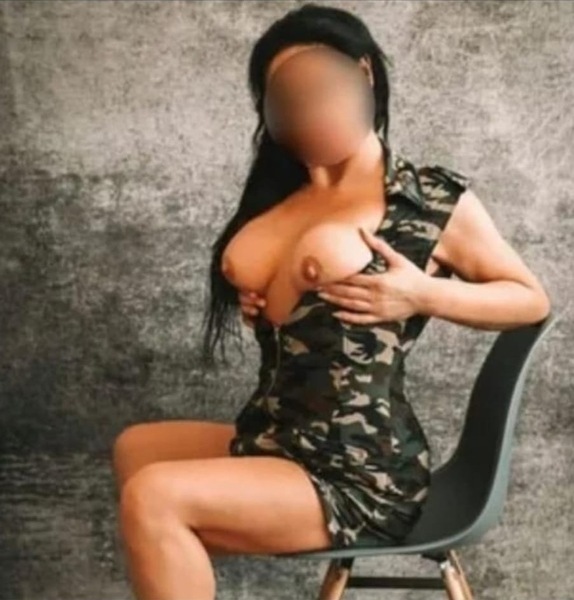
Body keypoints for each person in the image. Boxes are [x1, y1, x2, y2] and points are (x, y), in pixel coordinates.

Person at [113, 5, 551, 600]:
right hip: (277, 435)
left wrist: (421, 293)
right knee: (136, 451)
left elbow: (529, 299)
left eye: (321, 88)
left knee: (155, 497)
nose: (308, 109)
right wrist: (265, 303)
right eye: (287, 99)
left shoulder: (423, 199)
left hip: (358, 467)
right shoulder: (282, 196)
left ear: (363, 75)